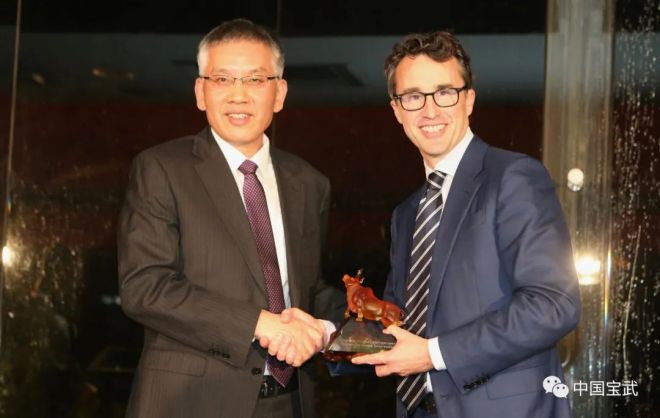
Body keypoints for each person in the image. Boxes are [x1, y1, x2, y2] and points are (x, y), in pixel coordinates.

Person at [117, 18, 342, 418]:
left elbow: (309, 289)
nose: (239, 95)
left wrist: (328, 329)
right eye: (222, 79)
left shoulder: (310, 183)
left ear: (279, 93)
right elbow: (145, 287)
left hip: (290, 402)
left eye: (255, 80)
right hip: (190, 403)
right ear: (200, 92)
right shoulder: (161, 169)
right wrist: (259, 323)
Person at [351, 31, 581, 418]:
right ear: (397, 110)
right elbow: (397, 320)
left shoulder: (513, 177)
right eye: (413, 97)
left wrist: (433, 353)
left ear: (469, 100)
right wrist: (327, 335)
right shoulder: (406, 214)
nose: (429, 110)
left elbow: (553, 304)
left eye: (445, 93)